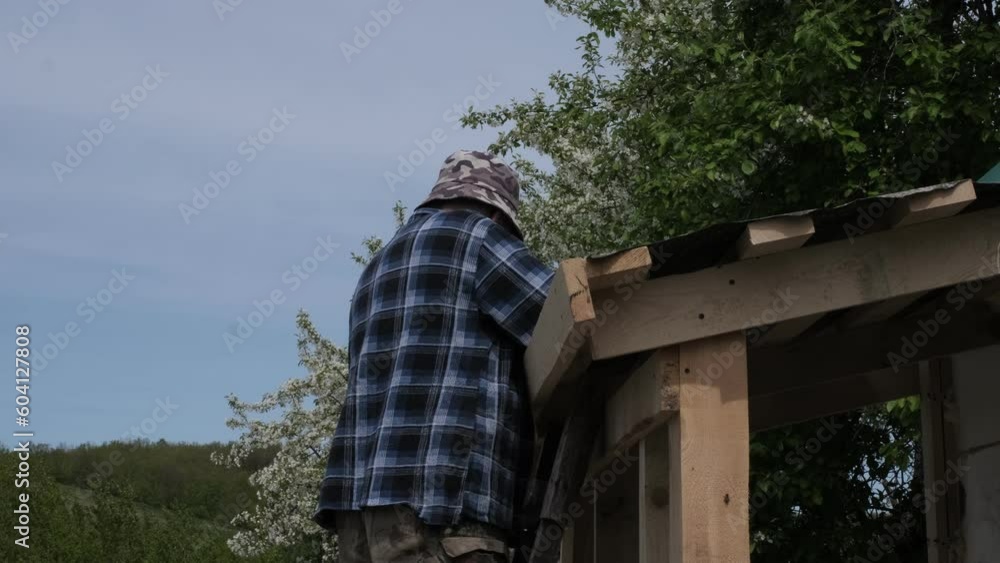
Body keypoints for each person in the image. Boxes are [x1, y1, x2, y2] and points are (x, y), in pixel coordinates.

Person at [314, 150, 555, 562]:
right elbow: (564, 311)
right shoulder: (477, 236)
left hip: (360, 512)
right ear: (498, 215)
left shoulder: (377, 265)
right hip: (440, 506)